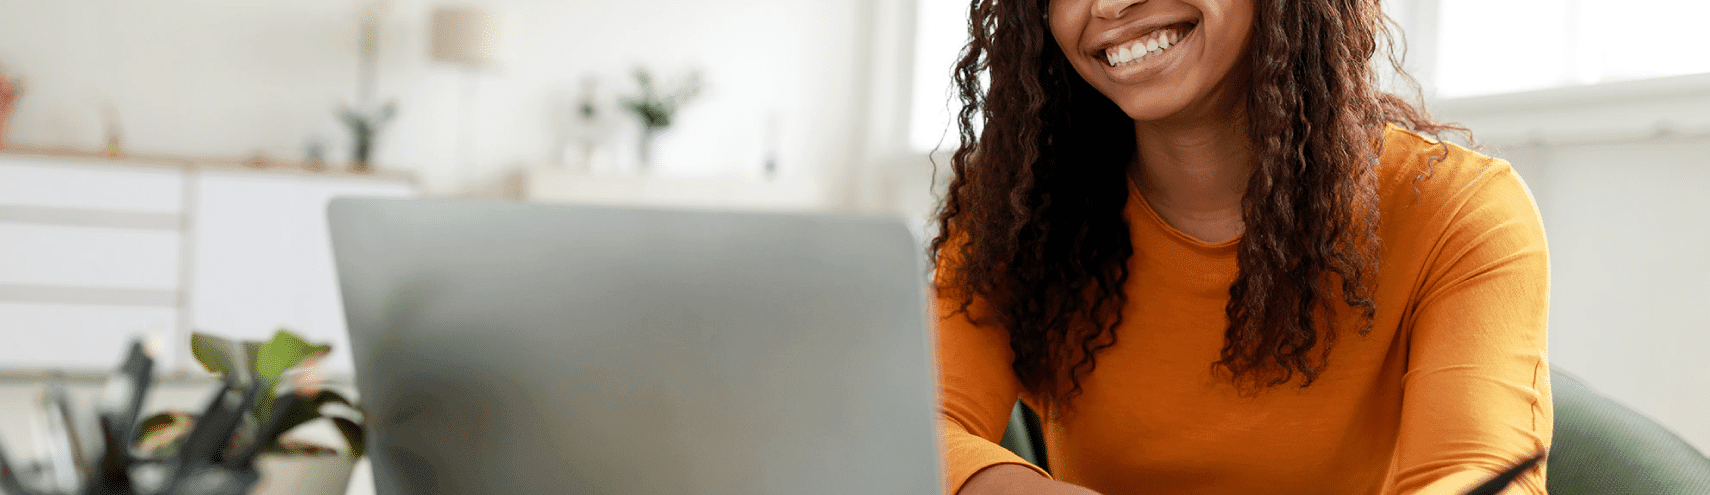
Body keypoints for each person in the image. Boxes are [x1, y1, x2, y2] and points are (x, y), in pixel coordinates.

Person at [929, 0, 1551, 494]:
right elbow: (912, 424)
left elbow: (1479, 470)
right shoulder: (1019, 212)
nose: (1113, 4)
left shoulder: (1459, 212)